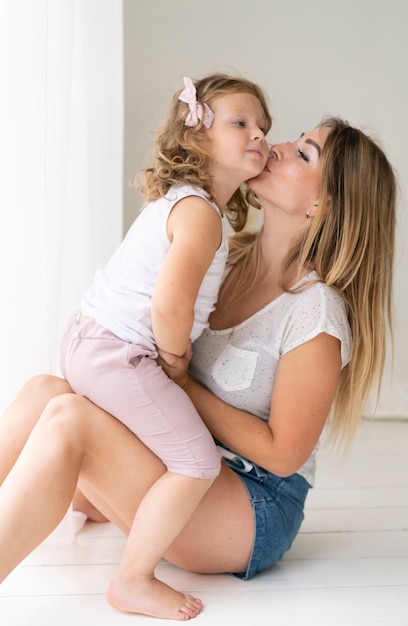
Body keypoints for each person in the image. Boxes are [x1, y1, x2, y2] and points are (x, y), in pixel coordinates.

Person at [0, 116, 396, 622]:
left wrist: (182, 385)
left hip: (253, 503)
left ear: (325, 206)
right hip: (184, 462)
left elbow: (282, 453)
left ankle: (121, 560)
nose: (275, 147)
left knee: (69, 421)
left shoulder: (314, 313)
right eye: (294, 140)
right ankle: (95, 494)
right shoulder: (227, 258)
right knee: (45, 392)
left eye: (304, 154)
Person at [59, 72, 271, 618]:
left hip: (90, 338)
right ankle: (133, 578)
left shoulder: (190, 206)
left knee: (139, 430)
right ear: (197, 138)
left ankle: (88, 499)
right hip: (119, 350)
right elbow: (171, 306)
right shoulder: (201, 215)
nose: (260, 136)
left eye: (264, 127)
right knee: (197, 461)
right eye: (241, 123)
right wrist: (175, 360)